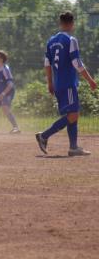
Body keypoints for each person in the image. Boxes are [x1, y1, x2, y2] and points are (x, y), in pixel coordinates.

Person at [36, 11, 97, 156]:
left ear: (60, 23)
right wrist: (90, 80)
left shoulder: (51, 40)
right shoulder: (71, 39)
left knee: (72, 113)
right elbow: (76, 62)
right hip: (68, 82)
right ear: (71, 24)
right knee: (73, 114)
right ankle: (44, 135)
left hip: (58, 83)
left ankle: (73, 147)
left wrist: (50, 83)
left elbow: (47, 63)